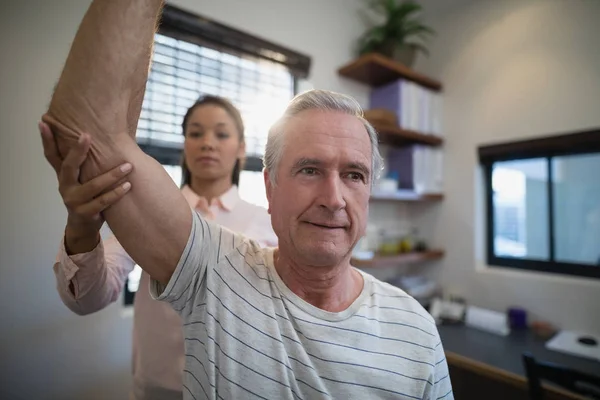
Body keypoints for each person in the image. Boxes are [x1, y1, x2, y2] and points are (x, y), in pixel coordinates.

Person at [42, 1, 453, 399]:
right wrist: (82, 228)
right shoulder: (216, 262)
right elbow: (91, 140)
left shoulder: (416, 329)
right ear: (270, 185)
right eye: (309, 169)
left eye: (354, 174)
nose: (333, 199)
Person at [41, 95, 276, 400]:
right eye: (195, 133)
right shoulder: (148, 214)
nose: (207, 143)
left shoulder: (268, 222)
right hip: (157, 389)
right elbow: (86, 298)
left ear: (242, 148)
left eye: (221, 133)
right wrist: (81, 228)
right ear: (184, 145)